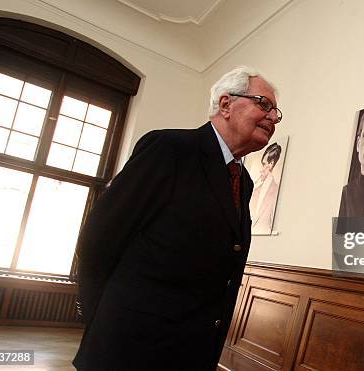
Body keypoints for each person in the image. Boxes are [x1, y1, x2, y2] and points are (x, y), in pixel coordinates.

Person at [72, 66, 282, 370]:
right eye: (264, 104)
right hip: (128, 349)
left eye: (276, 112)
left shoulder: (244, 181)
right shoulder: (169, 149)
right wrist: (102, 320)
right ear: (225, 104)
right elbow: (97, 240)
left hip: (190, 353)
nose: (273, 117)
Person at [250, 142, 282, 234]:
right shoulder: (255, 190)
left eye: (264, 164)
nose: (261, 169)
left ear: (271, 164)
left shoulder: (276, 191)